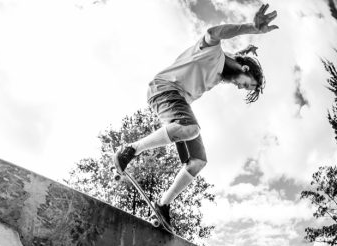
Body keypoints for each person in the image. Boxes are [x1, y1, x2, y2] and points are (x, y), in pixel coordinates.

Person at [113, 4, 278, 226]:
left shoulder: (222, 72)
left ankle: (162, 206)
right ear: (245, 70)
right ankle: (130, 149)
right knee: (191, 128)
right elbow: (213, 33)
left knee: (198, 161)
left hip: (177, 102)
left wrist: (243, 53)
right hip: (164, 89)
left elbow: (232, 61)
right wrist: (251, 27)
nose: (240, 88)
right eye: (246, 85)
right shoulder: (212, 51)